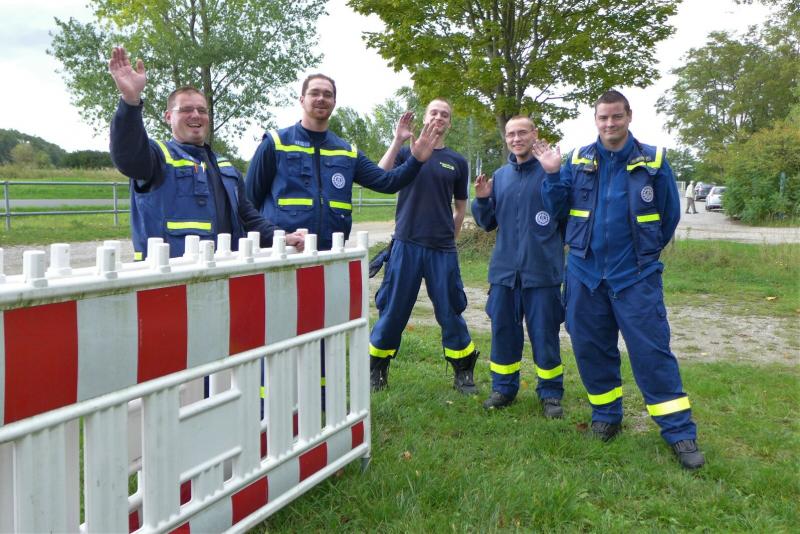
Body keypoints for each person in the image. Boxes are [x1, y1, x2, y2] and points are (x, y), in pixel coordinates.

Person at [541, 89, 704, 469]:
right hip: (584, 274)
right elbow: (556, 209)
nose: (610, 123)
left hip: (636, 276)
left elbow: (668, 216)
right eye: (603, 117)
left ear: (629, 116)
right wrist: (550, 174)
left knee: (652, 353)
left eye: (616, 116)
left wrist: (643, 255)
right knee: (590, 348)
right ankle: (606, 416)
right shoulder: (577, 160)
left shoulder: (653, 161)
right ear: (595, 120)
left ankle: (679, 433)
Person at [107, 47, 305, 259]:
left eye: (202, 110)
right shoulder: (157, 157)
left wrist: (281, 237)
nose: (196, 115)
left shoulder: (226, 167)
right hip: (171, 273)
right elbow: (127, 156)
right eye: (186, 110)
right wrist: (130, 101)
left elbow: (248, 218)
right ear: (168, 117)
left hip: (222, 269)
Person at [245, 74, 443, 251]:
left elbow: (387, 182)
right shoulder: (275, 144)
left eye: (327, 94)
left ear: (334, 102)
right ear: (302, 100)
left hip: (330, 253)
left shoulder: (347, 152)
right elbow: (247, 205)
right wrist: (279, 237)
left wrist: (416, 160)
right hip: (281, 254)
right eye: (314, 93)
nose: (321, 98)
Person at [368, 100, 478, 394]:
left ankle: (463, 371)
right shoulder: (408, 152)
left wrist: (452, 239)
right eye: (434, 112)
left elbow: (460, 207)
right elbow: (380, 176)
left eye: (445, 114)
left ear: (449, 123)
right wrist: (397, 140)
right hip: (406, 244)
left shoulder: (457, 161)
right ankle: (377, 368)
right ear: (425, 118)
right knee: (393, 309)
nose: (439, 117)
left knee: (451, 310)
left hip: (442, 249)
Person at [472, 116, 565, 418]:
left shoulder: (552, 171)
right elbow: (487, 223)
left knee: (545, 336)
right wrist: (482, 200)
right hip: (505, 274)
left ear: (534, 134)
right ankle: (503, 388)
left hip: (542, 273)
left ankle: (550, 394)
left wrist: (554, 175)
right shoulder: (500, 177)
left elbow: (563, 213)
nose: (516, 139)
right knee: (503, 334)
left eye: (522, 132)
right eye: (511, 134)